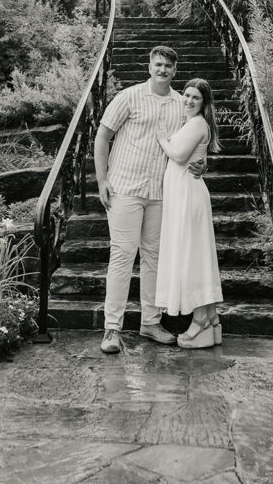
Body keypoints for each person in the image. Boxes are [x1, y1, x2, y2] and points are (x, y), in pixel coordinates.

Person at [94, 44, 195, 354]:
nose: (162, 69)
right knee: (123, 256)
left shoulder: (182, 104)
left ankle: (150, 323)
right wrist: (101, 180)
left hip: (161, 193)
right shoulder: (129, 96)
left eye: (168, 66)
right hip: (125, 188)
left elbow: (190, 141)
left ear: (175, 71)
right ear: (150, 66)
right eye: (158, 64)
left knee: (154, 258)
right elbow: (102, 136)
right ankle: (112, 330)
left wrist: (199, 164)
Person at [154, 77, 223, 349]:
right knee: (194, 256)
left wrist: (162, 139)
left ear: (204, 103)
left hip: (188, 196)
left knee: (193, 259)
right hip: (182, 193)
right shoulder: (189, 123)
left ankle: (201, 321)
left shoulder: (197, 123)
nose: (190, 100)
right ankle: (211, 318)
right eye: (187, 95)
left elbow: (180, 155)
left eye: (196, 97)